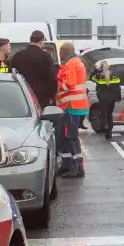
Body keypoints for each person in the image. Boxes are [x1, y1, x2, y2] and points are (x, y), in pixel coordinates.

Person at [55, 41, 89, 177]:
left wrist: (54, 85)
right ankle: (67, 163)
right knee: (64, 136)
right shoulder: (76, 62)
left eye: (61, 52)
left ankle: (77, 166)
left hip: (71, 106)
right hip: (71, 106)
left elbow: (69, 84)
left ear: (65, 52)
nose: (60, 55)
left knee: (70, 136)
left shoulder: (70, 64)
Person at [10, 30, 57, 107]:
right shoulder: (45, 56)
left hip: (22, 96)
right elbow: (51, 78)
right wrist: (51, 95)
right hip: (41, 97)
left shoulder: (17, 56)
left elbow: (12, 75)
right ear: (41, 41)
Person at [90, 60, 122, 138]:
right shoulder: (114, 75)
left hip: (103, 98)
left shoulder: (99, 76)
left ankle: (105, 128)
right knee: (109, 114)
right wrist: (118, 97)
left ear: (101, 67)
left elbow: (91, 77)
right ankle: (109, 130)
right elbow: (118, 86)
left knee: (103, 114)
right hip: (112, 99)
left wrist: (96, 70)